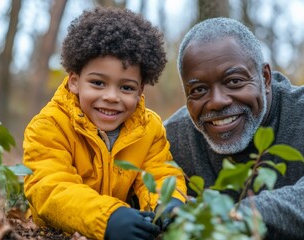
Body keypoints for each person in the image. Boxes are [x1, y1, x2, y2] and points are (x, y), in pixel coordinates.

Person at [164, 17, 304, 240]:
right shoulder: (170, 139)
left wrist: (232, 218)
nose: (217, 101)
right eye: (199, 90)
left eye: (234, 81)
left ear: (265, 77)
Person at [22, 7, 186, 240]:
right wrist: (107, 218)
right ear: (75, 82)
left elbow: (160, 173)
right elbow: (50, 187)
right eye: (98, 83)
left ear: (140, 91)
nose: (111, 96)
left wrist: (168, 204)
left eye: (126, 87)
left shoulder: (148, 128)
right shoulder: (49, 126)